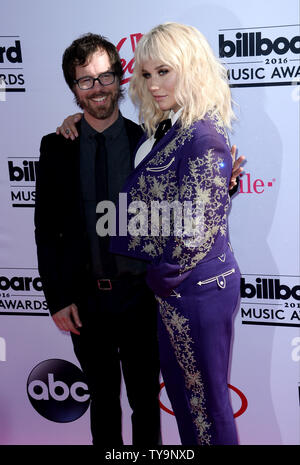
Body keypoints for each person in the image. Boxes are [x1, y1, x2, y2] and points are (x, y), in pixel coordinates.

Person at [109, 22, 242, 445]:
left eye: (164, 71)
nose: (152, 84)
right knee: (188, 401)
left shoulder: (203, 134)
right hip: (178, 289)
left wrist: (160, 276)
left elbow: (195, 231)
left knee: (209, 405)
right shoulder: (171, 128)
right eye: (146, 75)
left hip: (197, 287)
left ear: (192, 67)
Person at [34, 33, 161, 446]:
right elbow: (46, 229)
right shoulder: (56, 147)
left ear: (119, 79)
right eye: (85, 80)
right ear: (73, 88)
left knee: (146, 403)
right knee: (103, 404)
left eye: (105, 76)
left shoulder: (147, 139)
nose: (98, 88)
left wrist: (226, 182)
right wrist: (57, 298)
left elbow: (189, 196)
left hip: (142, 297)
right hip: (85, 303)